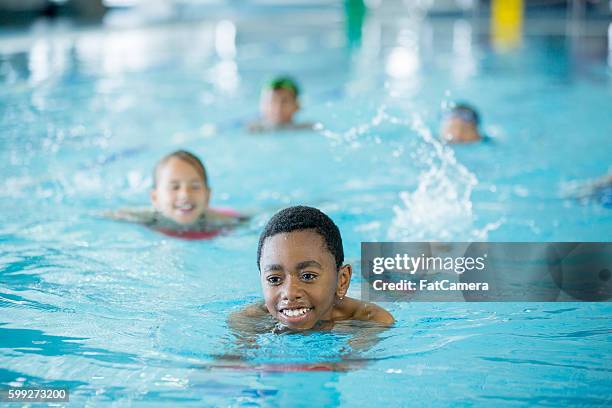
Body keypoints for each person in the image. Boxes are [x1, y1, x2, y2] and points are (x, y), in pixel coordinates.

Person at [230, 205, 394, 333]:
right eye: (274, 279)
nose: (290, 293)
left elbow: (348, 363)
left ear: (342, 280)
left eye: (308, 276)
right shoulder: (249, 321)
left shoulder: (369, 320)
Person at [105, 150, 246, 239]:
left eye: (195, 186)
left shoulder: (222, 222)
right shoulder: (146, 218)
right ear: (155, 198)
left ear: (208, 195)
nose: (185, 194)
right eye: (175, 187)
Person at [248, 76, 314, 133]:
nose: (278, 107)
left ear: (297, 105)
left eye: (284, 101)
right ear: (261, 105)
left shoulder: (306, 128)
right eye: (271, 101)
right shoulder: (252, 129)